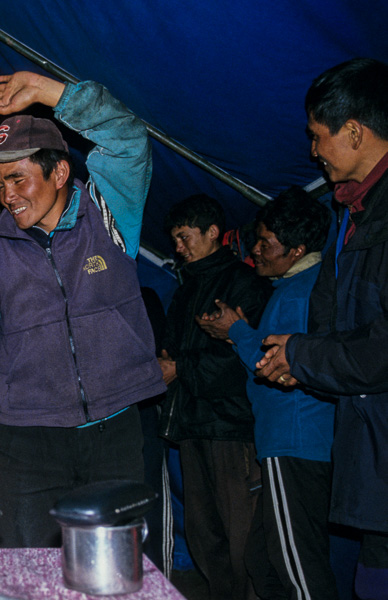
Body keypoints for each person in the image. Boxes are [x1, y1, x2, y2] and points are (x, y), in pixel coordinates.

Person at [0, 71, 166, 548]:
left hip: (114, 428)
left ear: (60, 172)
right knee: (32, 570)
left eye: (18, 179)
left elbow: (129, 139)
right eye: (0, 182)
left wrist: (53, 94)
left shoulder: (108, 214)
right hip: (26, 439)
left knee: (114, 567)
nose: (7, 195)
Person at [255, 58, 388, 599]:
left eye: (318, 136)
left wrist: (303, 356)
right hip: (370, 451)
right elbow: (344, 329)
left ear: (353, 131)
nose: (314, 152)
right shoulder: (351, 217)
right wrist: (299, 360)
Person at [197, 188, 338, 600]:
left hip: (293, 442)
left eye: (266, 243)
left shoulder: (299, 293)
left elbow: (277, 366)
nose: (255, 249)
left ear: (296, 249)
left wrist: (236, 331)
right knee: (263, 558)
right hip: (296, 441)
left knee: (300, 569)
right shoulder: (302, 285)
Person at [158, 194, 272, 600]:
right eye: (174, 240)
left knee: (240, 531)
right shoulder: (186, 289)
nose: (178, 248)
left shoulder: (245, 283)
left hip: (231, 428)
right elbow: (173, 349)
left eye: (185, 237)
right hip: (192, 423)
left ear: (212, 233)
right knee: (205, 532)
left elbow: (241, 361)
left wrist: (180, 367)